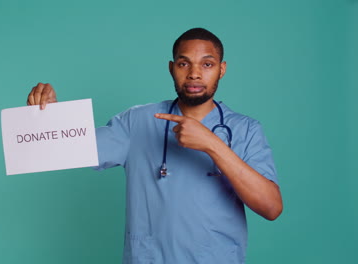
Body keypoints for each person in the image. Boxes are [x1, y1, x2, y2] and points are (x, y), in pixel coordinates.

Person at [26, 28, 283, 264]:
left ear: (222, 69)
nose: (194, 73)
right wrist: (51, 115)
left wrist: (212, 144)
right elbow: (67, 149)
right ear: (172, 68)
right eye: (184, 63)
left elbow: (271, 208)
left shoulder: (246, 130)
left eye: (207, 64)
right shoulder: (136, 123)